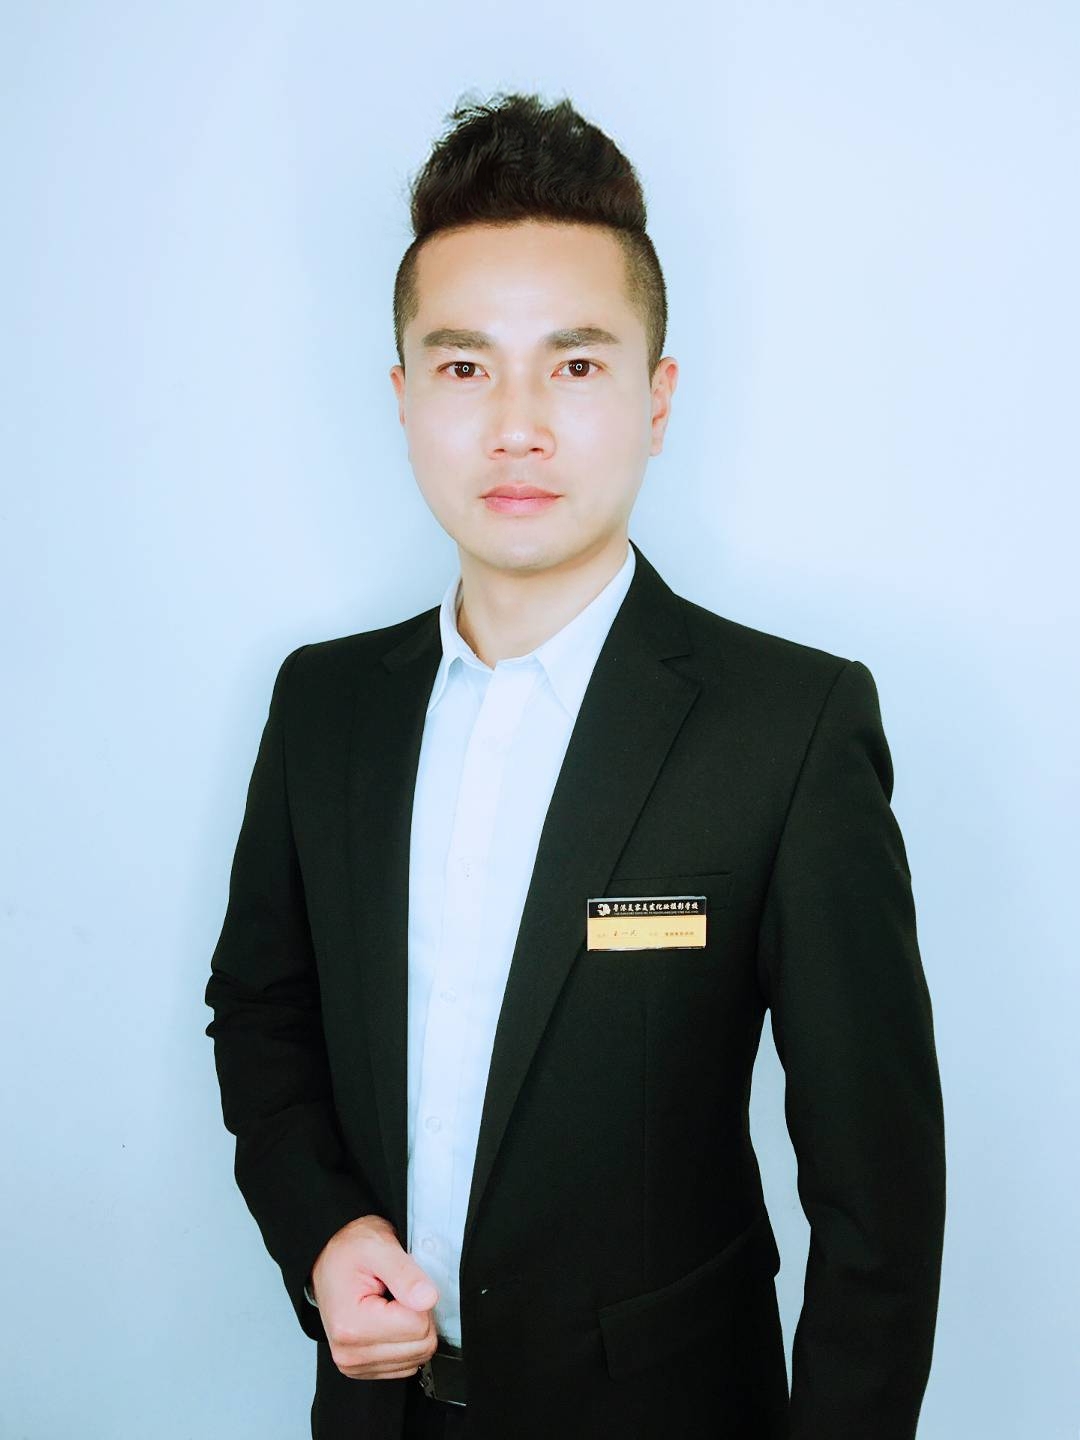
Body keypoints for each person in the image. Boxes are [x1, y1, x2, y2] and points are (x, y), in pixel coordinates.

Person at [205, 91, 946, 1440]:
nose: (518, 425)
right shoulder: (324, 705)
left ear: (657, 400)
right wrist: (324, 1231)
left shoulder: (789, 726)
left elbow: (878, 1201)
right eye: (464, 367)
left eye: (578, 366)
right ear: (404, 398)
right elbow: (261, 1012)